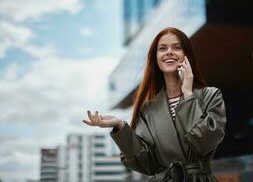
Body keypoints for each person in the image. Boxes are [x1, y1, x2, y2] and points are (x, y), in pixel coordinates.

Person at [83, 27, 227, 182]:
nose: (169, 52)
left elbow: (205, 142)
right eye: (162, 48)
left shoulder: (211, 96)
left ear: (187, 55)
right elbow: (145, 163)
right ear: (156, 58)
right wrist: (120, 127)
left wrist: (188, 94)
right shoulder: (148, 109)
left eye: (177, 47)